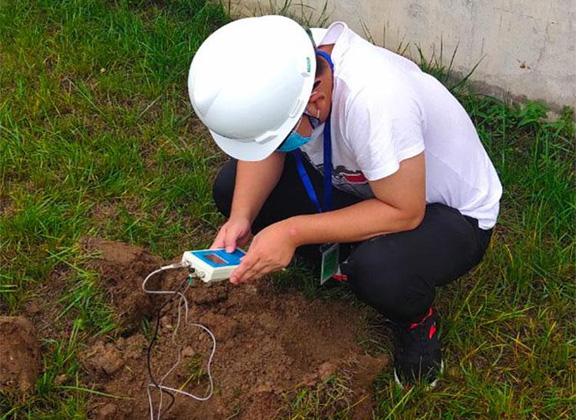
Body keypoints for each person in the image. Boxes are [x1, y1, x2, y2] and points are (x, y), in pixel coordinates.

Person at [188, 15, 502, 388]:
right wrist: (242, 216)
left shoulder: (377, 101)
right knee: (231, 188)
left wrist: (292, 232)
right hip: (364, 187)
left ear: (316, 100)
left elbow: (405, 210)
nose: (270, 146)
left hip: (443, 213)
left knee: (378, 270)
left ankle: (415, 320)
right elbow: (267, 148)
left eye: (278, 133)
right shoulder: (293, 68)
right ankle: (342, 257)